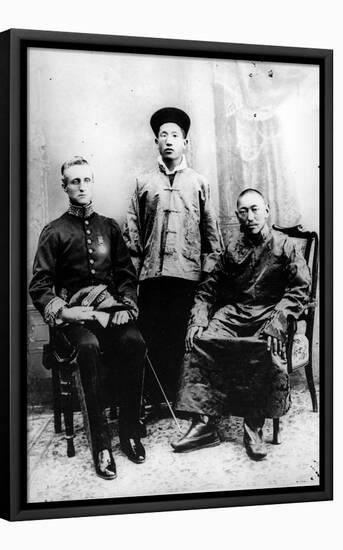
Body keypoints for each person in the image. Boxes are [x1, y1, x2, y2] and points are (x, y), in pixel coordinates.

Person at [29, 156, 147, 480]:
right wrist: (65, 311)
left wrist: (126, 306)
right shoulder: (54, 232)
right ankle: (102, 446)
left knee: (135, 342)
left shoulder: (109, 226)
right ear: (64, 186)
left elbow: (126, 276)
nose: (82, 186)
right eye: (75, 181)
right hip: (73, 321)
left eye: (87, 180)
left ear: (92, 183)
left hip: (108, 313)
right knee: (89, 348)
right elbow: (38, 286)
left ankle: (130, 432)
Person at [172, 188, 311, 460]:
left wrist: (278, 321)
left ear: (267, 210)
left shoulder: (286, 245)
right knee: (200, 341)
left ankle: (253, 424)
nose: (250, 216)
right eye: (244, 211)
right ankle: (204, 424)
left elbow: (299, 289)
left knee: (263, 346)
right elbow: (207, 289)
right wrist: (198, 318)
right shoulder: (232, 249)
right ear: (237, 215)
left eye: (255, 209)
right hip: (236, 312)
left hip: (270, 314)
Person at [123, 107, 222, 406]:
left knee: (182, 337)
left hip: (187, 275)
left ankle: (183, 400)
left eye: (175, 135)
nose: (169, 141)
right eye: (163, 135)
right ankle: (155, 400)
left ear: (185, 143)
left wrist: (207, 273)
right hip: (152, 276)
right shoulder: (143, 183)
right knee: (153, 337)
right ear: (156, 141)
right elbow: (133, 232)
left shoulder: (199, 182)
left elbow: (211, 235)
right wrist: (136, 275)